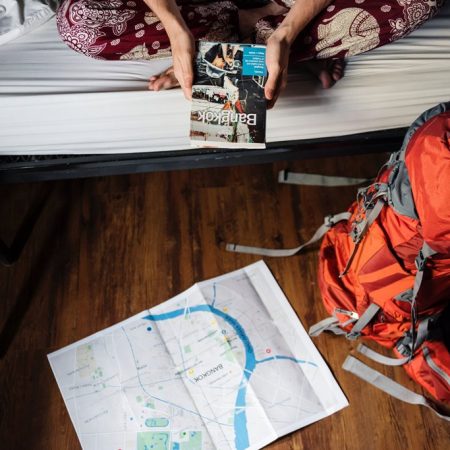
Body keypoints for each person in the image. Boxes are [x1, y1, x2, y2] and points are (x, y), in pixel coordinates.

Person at [56, 0, 445, 108]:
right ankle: (219, 44)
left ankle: (272, 42)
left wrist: (287, 34)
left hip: (296, 7)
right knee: (79, 22)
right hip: (198, 9)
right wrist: (175, 30)